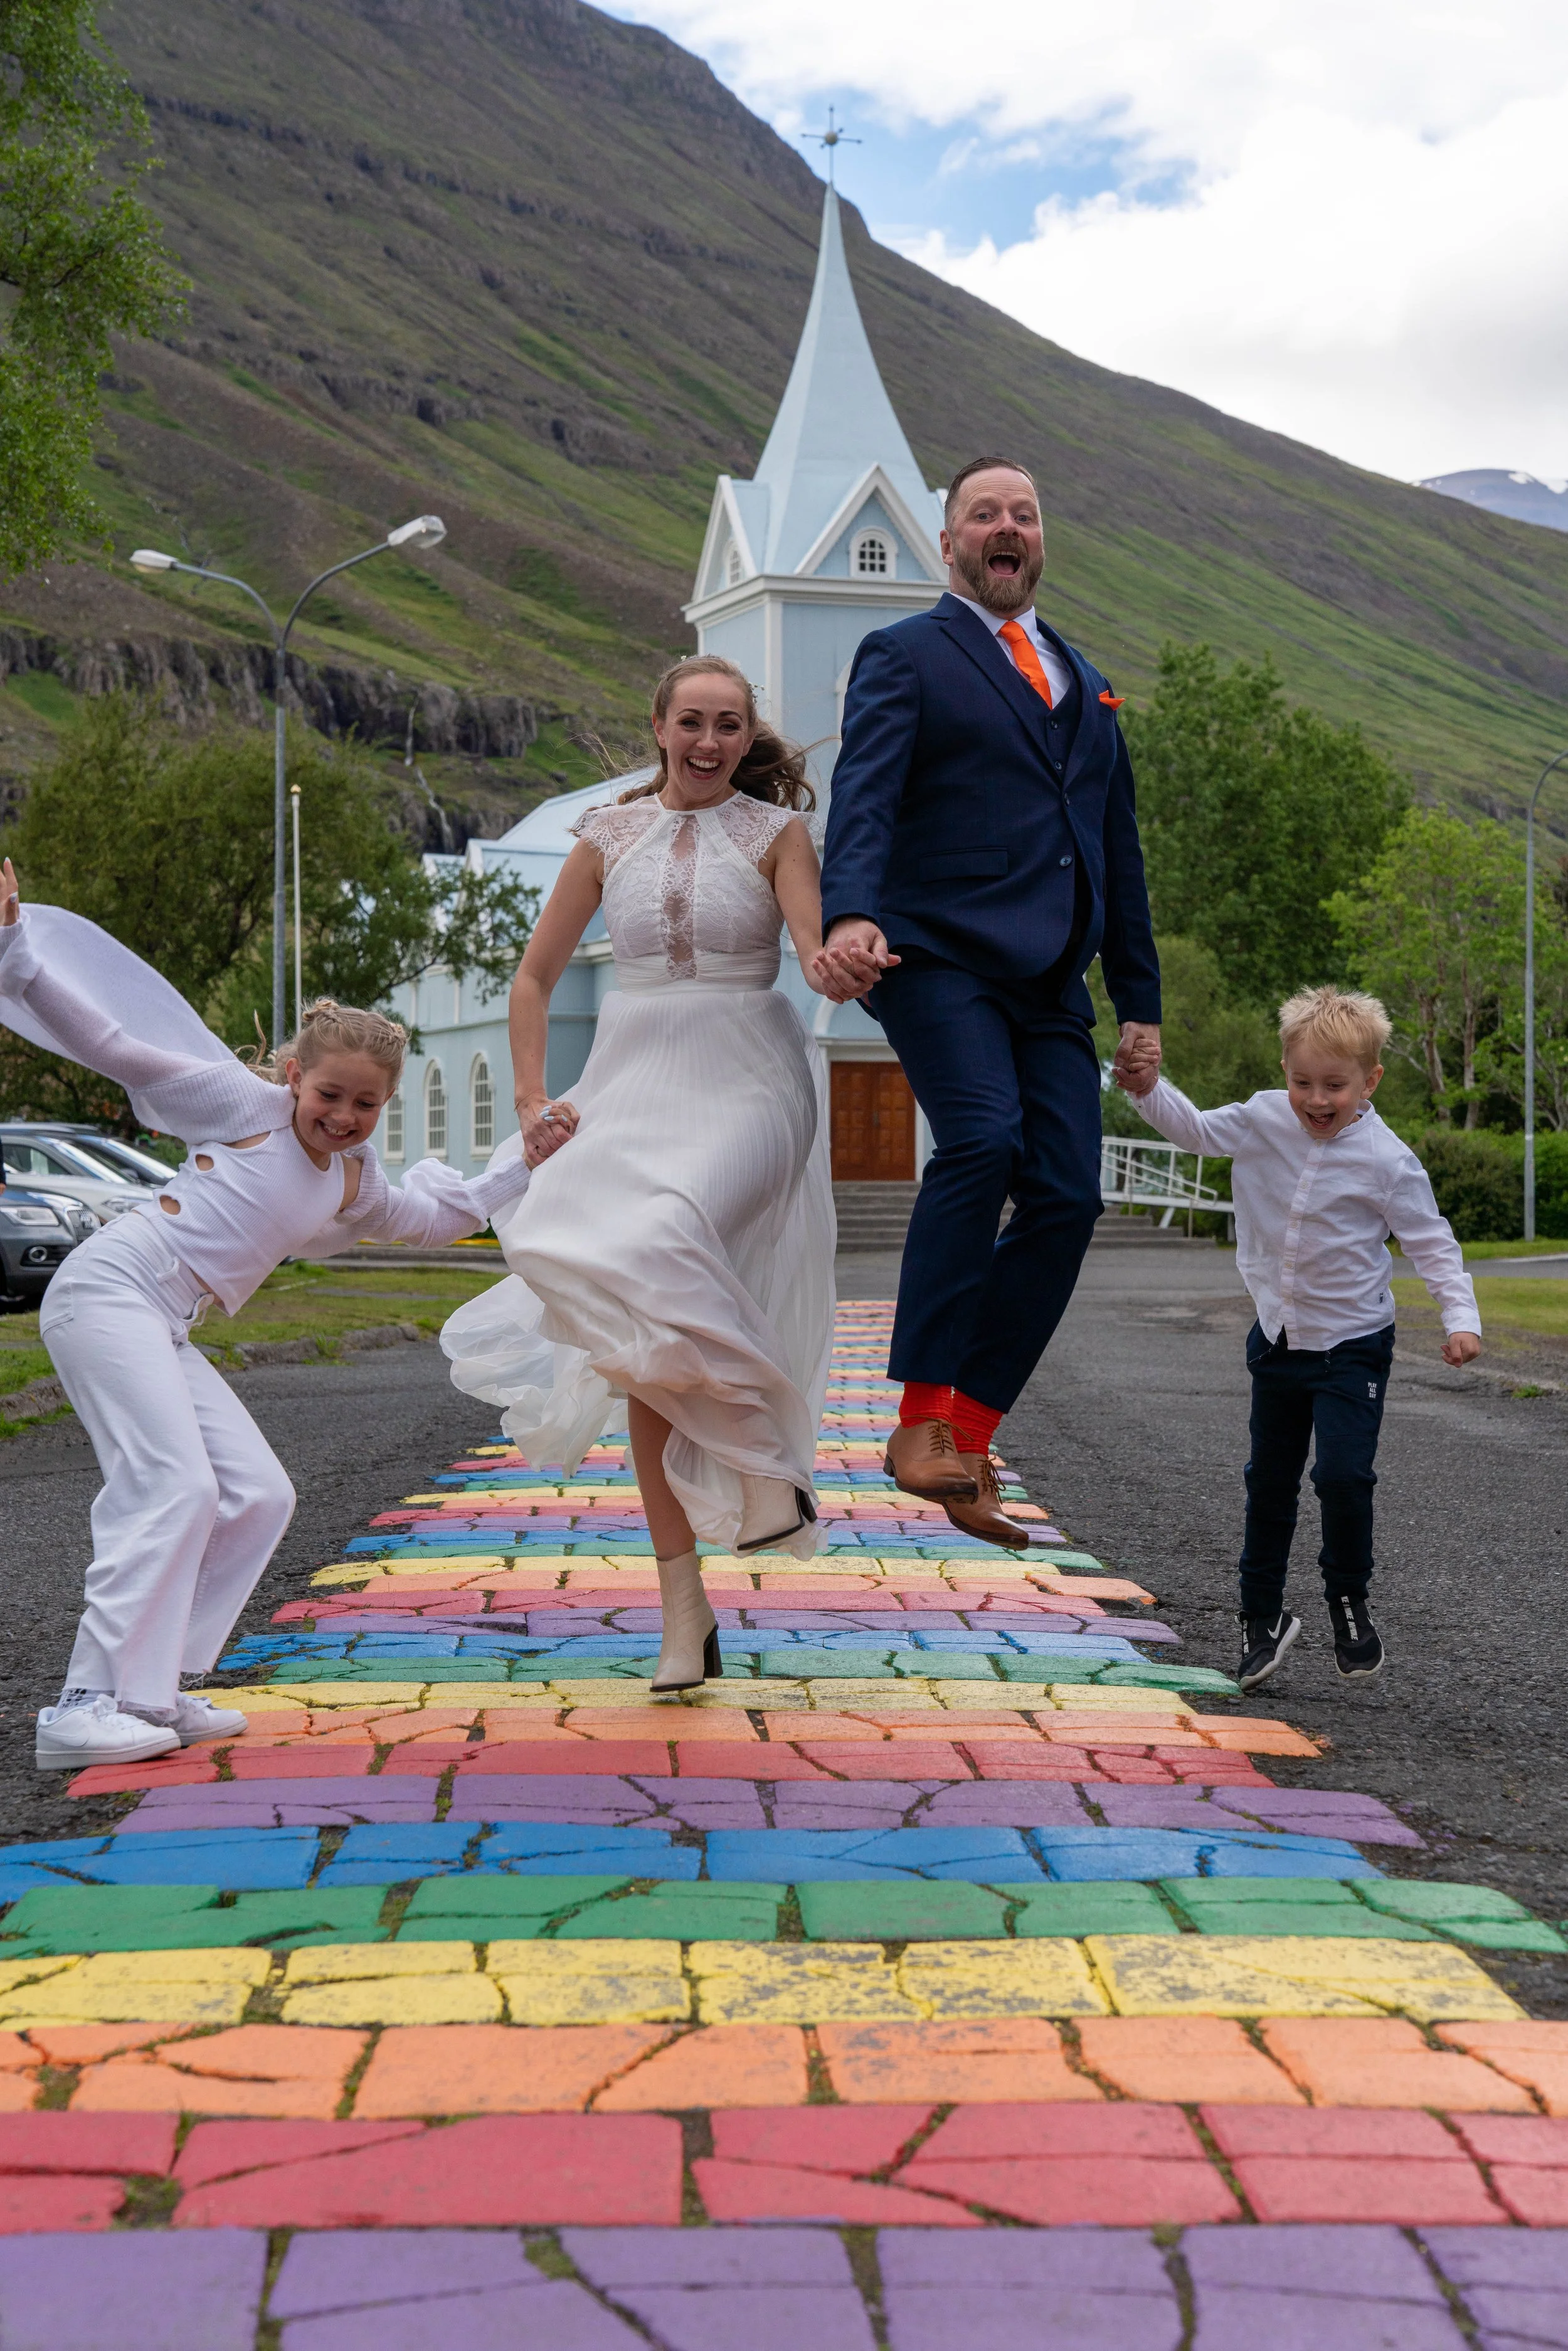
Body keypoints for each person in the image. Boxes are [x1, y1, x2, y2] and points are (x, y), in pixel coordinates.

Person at [0, 859, 533, 1768]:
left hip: (163, 1317)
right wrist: (16, 950)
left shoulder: (352, 1181)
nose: (343, 1115)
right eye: (329, 1095)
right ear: (293, 1077)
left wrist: (531, 1159)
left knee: (257, 1494)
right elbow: (116, 1045)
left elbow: (435, 1218)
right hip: (110, 1291)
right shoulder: (242, 1107)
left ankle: (150, 1689)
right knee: (174, 1485)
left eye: (366, 1105)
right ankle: (80, 1704)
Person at [442, 655, 857, 1694]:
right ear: (661, 727)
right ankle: (685, 1614)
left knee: (659, 1239)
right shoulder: (605, 836)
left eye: (729, 725)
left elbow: (811, 956)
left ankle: (764, 1464)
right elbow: (534, 978)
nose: (710, 741)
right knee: (629, 1318)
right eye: (692, 723)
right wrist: (535, 1106)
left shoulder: (778, 834)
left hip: (752, 1078)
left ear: (746, 734)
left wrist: (842, 956)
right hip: (629, 1080)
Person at [818, 457, 1162, 1546]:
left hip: (1052, 978)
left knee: (1068, 1194)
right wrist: (849, 913)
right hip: (940, 954)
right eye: (984, 513)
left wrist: (1139, 1000)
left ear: (1040, 538)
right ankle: (916, 1416)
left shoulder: (1087, 679)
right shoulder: (906, 653)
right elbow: (863, 793)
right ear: (949, 541)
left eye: (1024, 511)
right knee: (981, 1141)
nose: (1005, 526)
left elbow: (1120, 848)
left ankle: (969, 1430)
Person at [1119, 984, 1481, 1690]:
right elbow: (1192, 1130)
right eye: (1302, 1083)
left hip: (1353, 1344)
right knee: (1269, 1485)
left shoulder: (1388, 1160)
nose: (1317, 1100)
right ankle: (1260, 1620)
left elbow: (1431, 1243)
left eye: (1335, 1087)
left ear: (1370, 1080)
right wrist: (1147, 1088)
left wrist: (1460, 1319)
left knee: (1342, 1477)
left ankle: (1348, 1599)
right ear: (1283, 1071)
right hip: (1279, 1341)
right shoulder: (1260, 1119)